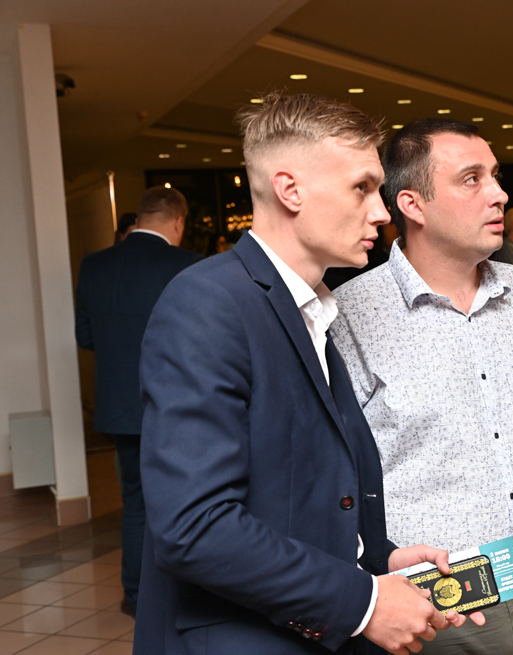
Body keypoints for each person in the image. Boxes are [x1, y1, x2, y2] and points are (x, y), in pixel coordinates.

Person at [135, 94, 477, 655]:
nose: (382, 212)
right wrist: (364, 603)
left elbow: (301, 490)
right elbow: (194, 527)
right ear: (290, 190)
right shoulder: (208, 302)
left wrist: (378, 559)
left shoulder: (311, 306)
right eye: (362, 187)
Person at [331, 117, 513, 655]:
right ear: (412, 205)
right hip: (437, 615)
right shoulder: (351, 315)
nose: (499, 194)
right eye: (472, 179)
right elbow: (337, 476)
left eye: (495, 176)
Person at [75, 186, 202, 617]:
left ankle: (136, 595)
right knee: (186, 501)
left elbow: (84, 337)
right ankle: (181, 598)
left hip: (120, 406)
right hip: (180, 405)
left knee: (135, 503)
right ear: (178, 221)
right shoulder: (187, 264)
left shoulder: (95, 265)